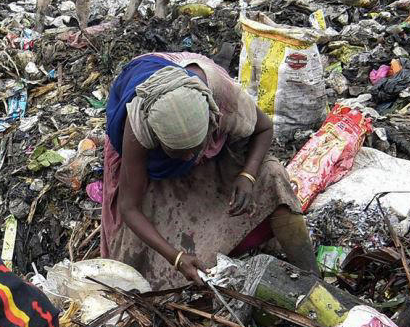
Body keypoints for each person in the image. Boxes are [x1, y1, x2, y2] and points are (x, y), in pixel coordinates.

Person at [101, 51, 304, 287]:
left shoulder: (220, 98)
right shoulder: (139, 127)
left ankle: (311, 276)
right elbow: (129, 207)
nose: (189, 157)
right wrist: (176, 257)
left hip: (213, 150)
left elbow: (264, 128)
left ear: (212, 121)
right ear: (158, 139)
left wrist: (247, 175)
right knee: (144, 266)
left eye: (194, 149)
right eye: (178, 153)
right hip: (156, 166)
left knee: (272, 175)